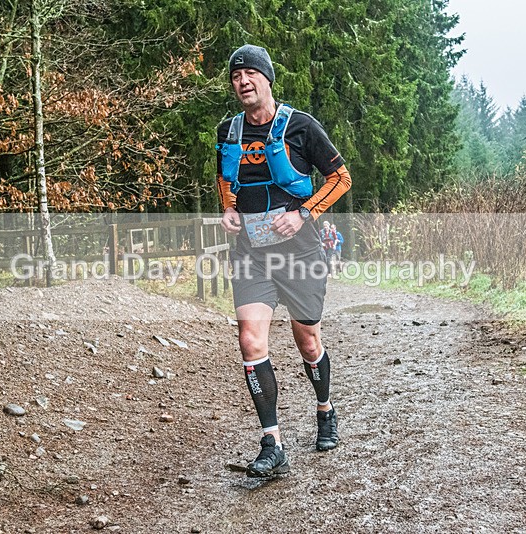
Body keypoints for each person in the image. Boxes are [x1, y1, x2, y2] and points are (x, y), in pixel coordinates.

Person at [216, 44, 351, 477]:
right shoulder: (229, 131)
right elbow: (224, 178)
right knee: (250, 340)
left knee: (308, 341)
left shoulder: (301, 127)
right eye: (236, 76)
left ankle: (325, 409)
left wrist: (304, 213)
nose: (243, 82)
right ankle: (272, 443)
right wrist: (229, 208)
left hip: (300, 252)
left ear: (268, 78)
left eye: (250, 74)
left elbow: (341, 178)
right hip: (251, 254)